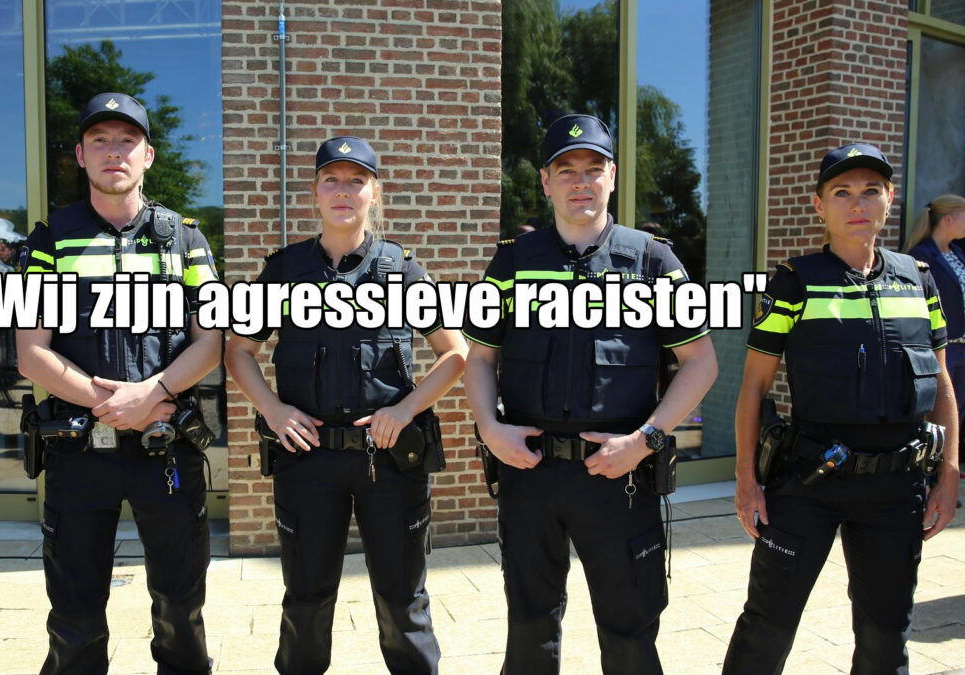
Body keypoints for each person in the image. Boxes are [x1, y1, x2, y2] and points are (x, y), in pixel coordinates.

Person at [462, 113, 718, 674]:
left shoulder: (652, 261)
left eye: (593, 168)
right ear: (546, 181)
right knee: (529, 631)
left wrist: (647, 440)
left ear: (613, 176)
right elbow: (479, 357)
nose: (581, 181)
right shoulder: (513, 261)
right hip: (530, 473)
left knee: (629, 634)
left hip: (619, 475)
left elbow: (701, 362)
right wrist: (489, 428)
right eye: (566, 170)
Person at [224, 136, 466, 675]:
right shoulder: (284, 270)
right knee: (306, 600)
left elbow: (455, 355)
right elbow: (238, 352)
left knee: (403, 601)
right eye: (331, 180)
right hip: (306, 460)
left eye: (357, 180)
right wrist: (272, 409)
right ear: (314, 191)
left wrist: (405, 410)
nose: (343, 191)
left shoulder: (402, 270)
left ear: (374, 193)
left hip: (390, 461)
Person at [725, 143, 959, 674]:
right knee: (767, 625)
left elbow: (942, 382)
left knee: (886, 635)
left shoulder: (918, 279)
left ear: (889, 200)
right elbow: (754, 387)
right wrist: (746, 479)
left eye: (871, 191)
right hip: (810, 482)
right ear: (819, 206)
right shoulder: (794, 281)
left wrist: (948, 476)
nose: (858, 203)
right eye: (842, 192)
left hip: (897, 488)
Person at [16, 92, 221, 675]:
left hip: (166, 448)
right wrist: (113, 405)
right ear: (80, 155)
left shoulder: (185, 239)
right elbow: (30, 353)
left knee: (181, 606)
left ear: (148, 155)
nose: (114, 152)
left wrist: (151, 396)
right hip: (79, 450)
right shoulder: (50, 239)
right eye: (100, 141)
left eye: (127, 141)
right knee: (74, 614)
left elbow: (212, 341)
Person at [905, 194, 965, 478]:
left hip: (962, 346)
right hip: (941, 348)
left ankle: (947, 472)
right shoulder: (922, 256)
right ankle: (928, 475)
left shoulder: (958, 253)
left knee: (957, 411)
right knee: (936, 414)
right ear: (948, 219)